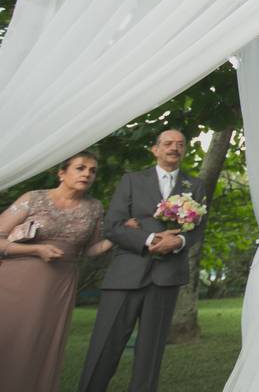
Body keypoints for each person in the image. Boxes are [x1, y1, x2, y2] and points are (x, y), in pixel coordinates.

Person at [78, 130, 206, 392]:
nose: (174, 148)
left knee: (151, 353)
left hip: (166, 278)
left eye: (180, 145)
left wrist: (179, 242)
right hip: (127, 274)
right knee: (105, 347)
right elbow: (112, 227)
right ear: (155, 149)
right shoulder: (132, 181)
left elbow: (198, 231)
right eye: (168, 143)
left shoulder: (195, 186)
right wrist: (149, 240)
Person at [0, 152, 115, 392]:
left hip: (58, 286)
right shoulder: (34, 198)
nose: (87, 174)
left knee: (39, 343)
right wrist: (36, 251)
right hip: (16, 280)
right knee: (8, 336)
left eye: (92, 170)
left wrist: (117, 237)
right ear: (61, 173)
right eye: (80, 168)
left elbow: (92, 249)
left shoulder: (94, 208)